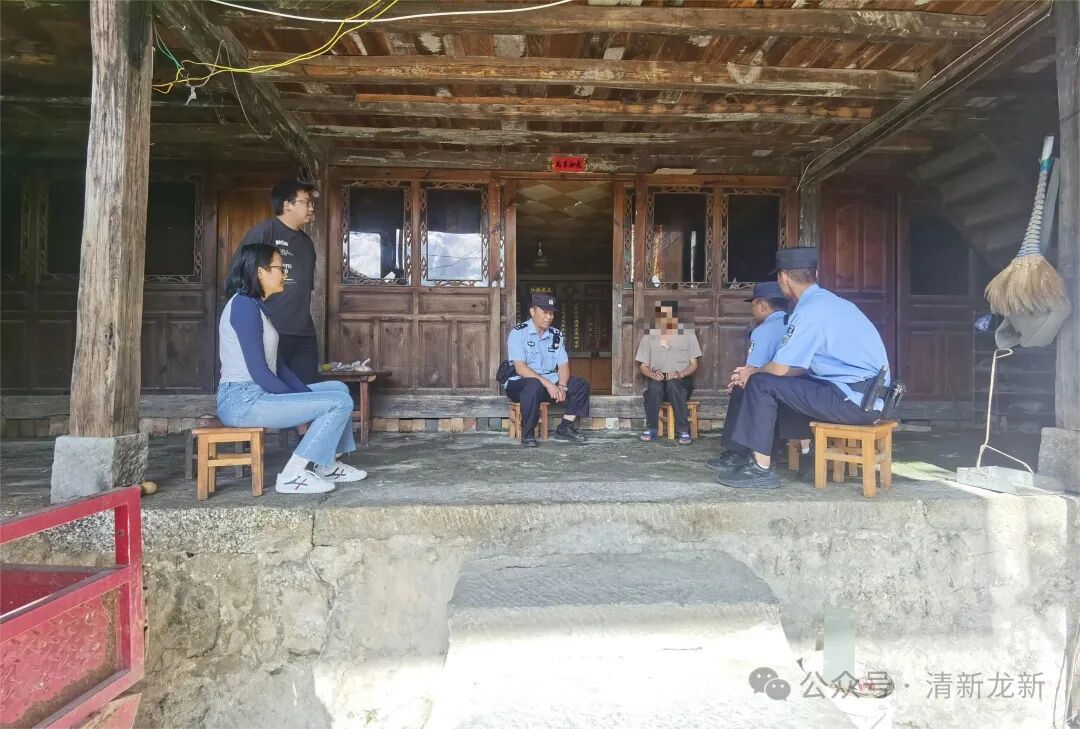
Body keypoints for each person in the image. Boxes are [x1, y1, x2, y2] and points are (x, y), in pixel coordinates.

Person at [716, 246, 891, 489]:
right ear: (815, 274)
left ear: (783, 278)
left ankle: (760, 468)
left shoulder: (810, 311)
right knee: (789, 385)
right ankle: (808, 458)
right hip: (867, 397)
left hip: (853, 399)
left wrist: (751, 372)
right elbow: (795, 369)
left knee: (761, 384)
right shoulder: (834, 304)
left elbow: (779, 368)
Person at [216, 243, 367, 494]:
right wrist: (303, 408)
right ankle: (293, 474)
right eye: (279, 268)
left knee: (338, 389)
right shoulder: (243, 306)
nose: (284, 273)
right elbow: (259, 372)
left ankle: (326, 465)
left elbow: (280, 368)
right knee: (338, 403)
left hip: (257, 394)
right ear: (260, 271)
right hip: (242, 401)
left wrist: (305, 398)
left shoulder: (257, 307)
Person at [706, 280, 807, 471]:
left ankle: (737, 453)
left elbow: (753, 369)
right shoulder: (796, 323)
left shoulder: (763, 330)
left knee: (741, 391)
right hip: (802, 390)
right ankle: (776, 449)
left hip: (775, 391)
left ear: (762, 305)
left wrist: (738, 379)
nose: (752, 311)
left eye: (753, 305)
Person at [238, 179, 319, 384]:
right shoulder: (264, 233)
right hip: (271, 331)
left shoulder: (307, 244)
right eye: (306, 202)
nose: (311, 208)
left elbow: (304, 288)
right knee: (273, 389)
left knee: (305, 391)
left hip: (303, 333)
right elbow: (240, 279)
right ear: (287, 205)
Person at [505, 294, 591, 448]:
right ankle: (528, 433)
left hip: (548, 384)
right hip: (520, 384)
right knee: (533, 384)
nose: (549, 317)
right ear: (532, 312)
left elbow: (563, 364)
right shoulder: (518, 333)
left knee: (580, 385)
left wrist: (562, 385)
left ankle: (565, 427)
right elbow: (521, 369)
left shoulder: (556, 335)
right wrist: (549, 385)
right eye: (545, 312)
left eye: (551, 313)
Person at [635, 300, 701, 445]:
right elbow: (643, 366)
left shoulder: (688, 335)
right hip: (659, 378)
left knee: (673, 385)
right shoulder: (649, 337)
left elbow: (694, 364)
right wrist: (652, 374)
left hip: (681, 380)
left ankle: (683, 430)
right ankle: (652, 428)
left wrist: (680, 374)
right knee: (653, 389)